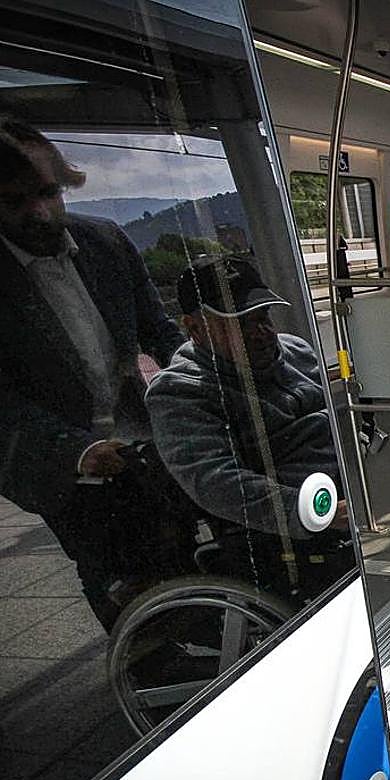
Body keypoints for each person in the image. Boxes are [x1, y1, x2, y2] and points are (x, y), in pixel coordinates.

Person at [0, 117, 185, 630]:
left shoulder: (104, 243)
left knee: (174, 543)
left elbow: (159, 330)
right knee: (110, 569)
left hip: (139, 434)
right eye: (15, 203)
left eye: (47, 193)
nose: (40, 213)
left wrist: (201, 377)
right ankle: (146, 665)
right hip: (61, 463)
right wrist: (77, 450)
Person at [145, 255, 349, 550]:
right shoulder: (180, 392)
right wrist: (315, 512)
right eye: (241, 324)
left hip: (355, 476)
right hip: (307, 516)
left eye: (263, 317)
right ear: (194, 329)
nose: (261, 333)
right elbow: (216, 482)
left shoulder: (296, 350)